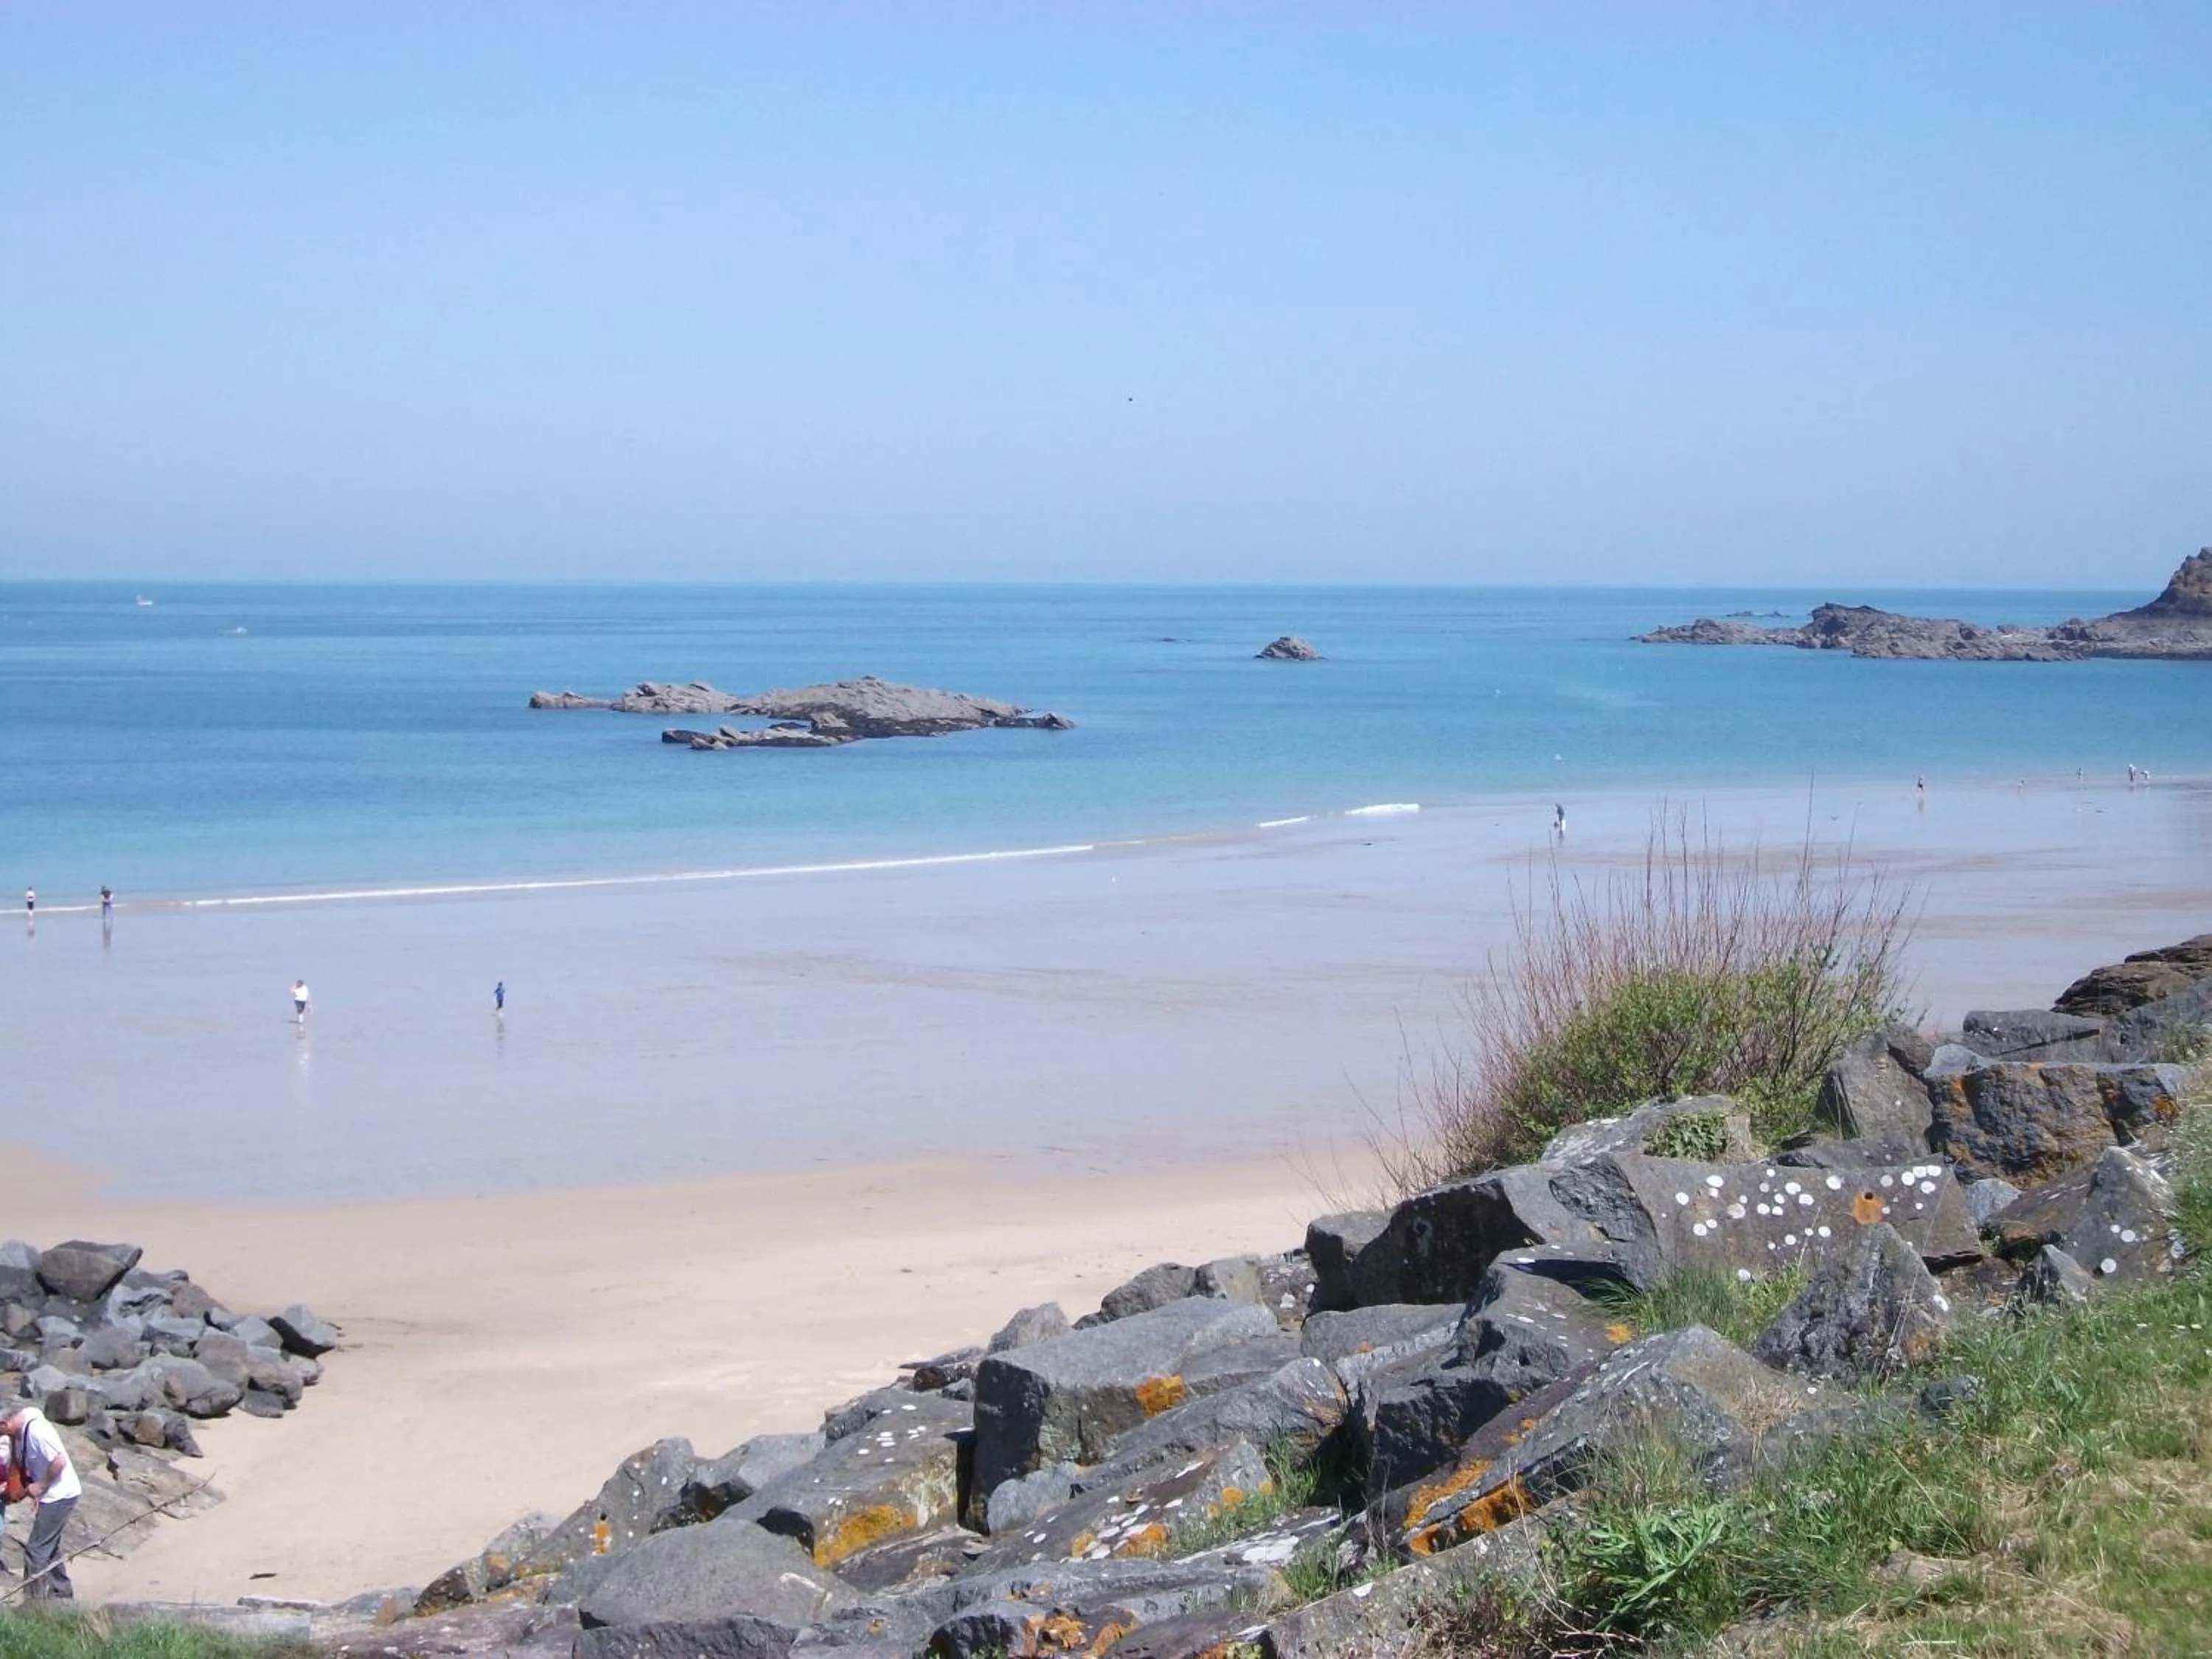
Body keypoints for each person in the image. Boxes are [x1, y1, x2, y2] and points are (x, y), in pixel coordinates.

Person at [2, 1402, 81, 1601]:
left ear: (5, 1423)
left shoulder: (37, 1431)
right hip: (51, 1495)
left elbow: (59, 1461)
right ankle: (62, 1594)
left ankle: (34, 1602)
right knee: (50, 1548)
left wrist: (42, 1485)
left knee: (36, 1551)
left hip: (60, 1495)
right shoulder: (21, 1431)